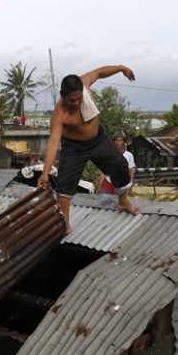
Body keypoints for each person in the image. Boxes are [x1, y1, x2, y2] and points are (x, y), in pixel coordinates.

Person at [37, 65, 140, 233]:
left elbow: (99, 73)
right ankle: (65, 223)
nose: (77, 103)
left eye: (79, 99)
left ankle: (123, 200)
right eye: (72, 100)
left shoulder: (84, 84)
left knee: (120, 165)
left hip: (98, 140)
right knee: (64, 185)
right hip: (74, 148)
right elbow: (54, 142)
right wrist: (45, 172)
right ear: (63, 96)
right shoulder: (60, 114)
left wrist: (121, 68)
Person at [97, 131, 135, 195]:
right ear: (114, 142)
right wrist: (99, 187)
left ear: (124, 141)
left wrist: (130, 186)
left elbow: (131, 172)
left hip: (121, 185)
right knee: (104, 202)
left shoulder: (129, 155)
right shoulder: (108, 154)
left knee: (119, 203)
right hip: (108, 183)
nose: (118, 142)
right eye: (116, 140)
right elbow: (103, 171)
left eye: (120, 140)